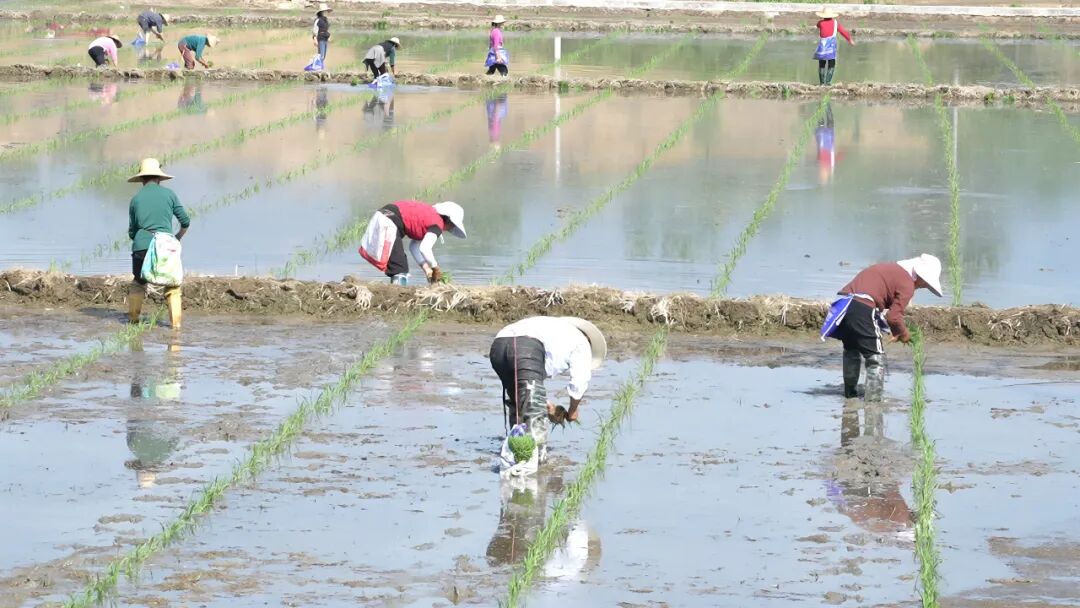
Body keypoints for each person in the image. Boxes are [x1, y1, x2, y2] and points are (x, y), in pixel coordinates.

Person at [824, 254, 942, 401]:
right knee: (875, 359)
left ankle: (850, 394)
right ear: (921, 277)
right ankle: (873, 403)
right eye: (925, 284)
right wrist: (904, 333)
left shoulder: (890, 269)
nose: (922, 287)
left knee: (851, 350)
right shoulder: (907, 284)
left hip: (844, 306)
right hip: (863, 308)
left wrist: (896, 330)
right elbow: (893, 317)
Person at [489, 316, 607, 463]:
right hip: (525, 348)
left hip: (498, 347)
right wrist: (572, 411)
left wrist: (544, 403)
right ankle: (535, 463)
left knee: (518, 404)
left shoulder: (552, 329)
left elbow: (526, 381)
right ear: (589, 340)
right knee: (534, 416)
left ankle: (516, 456)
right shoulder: (582, 342)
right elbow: (579, 382)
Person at [127, 158, 190, 329]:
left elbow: (132, 231)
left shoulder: (136, 199)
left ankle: (133, 321)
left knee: (138, 283)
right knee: (173, 286)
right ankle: (176, 326)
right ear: (159, 178)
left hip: (141, 246)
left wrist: (142, 240)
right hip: (166, 248)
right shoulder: (169, 195)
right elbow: (185, 220)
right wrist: (177, 237)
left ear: (141, 179)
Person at [358, 200, 466, 285]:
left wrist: (427, 270)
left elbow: (414, 246)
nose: (449, 229)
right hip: (390, 221)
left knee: (398, 263)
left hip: (384, 214)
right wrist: (436, 268)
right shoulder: (437, 224)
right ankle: (397, 298)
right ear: (449, 221)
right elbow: (425, 248)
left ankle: (396, 292)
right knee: (400, 268)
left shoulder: (429, 216)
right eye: (452, 226)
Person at [813, 7, 854, 86]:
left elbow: (817, 25)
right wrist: (849, 40)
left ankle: (821, 83)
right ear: (832, 16)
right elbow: (843, 32)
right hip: (831, 47)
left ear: (823, 16)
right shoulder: (836, 23)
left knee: (822, 64)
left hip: (822, 47)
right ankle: (828, 83)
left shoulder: (820, 23)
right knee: (831, 63)